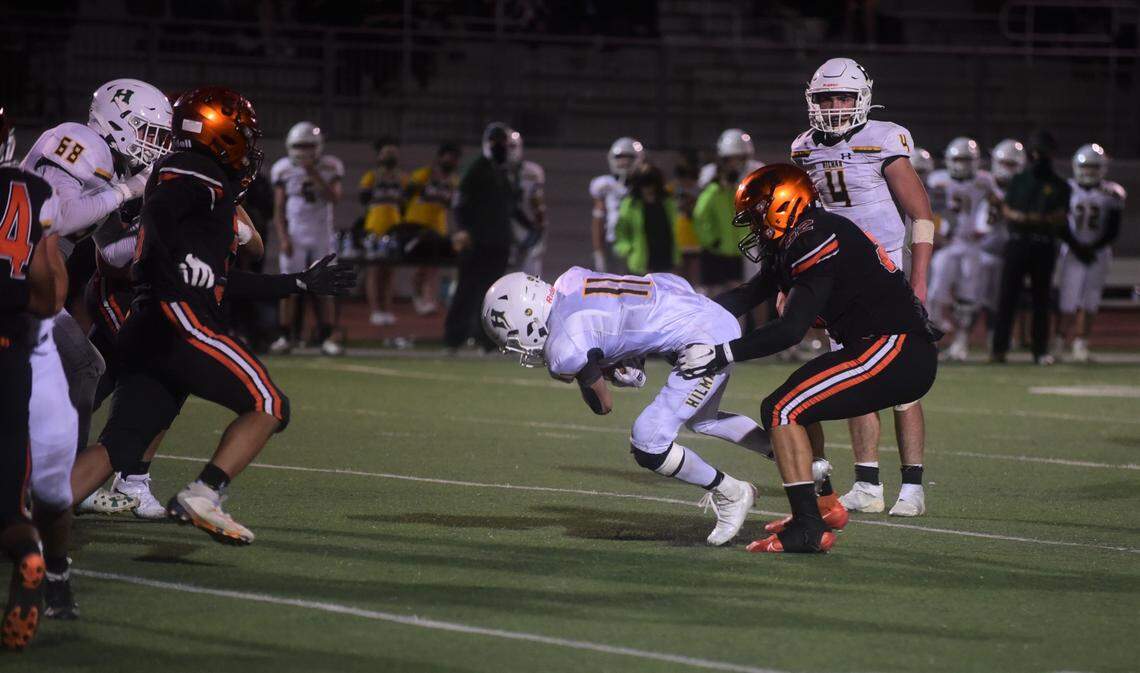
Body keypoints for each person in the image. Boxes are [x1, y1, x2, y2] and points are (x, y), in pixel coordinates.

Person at [73, 87, 354, 546]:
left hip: (149, 322)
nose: (249, 143)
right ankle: (204, 493)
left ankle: (30, 518)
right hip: (176, 318)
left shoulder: (194, 185)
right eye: (242, 133)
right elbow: (162, 216)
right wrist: (167, 254)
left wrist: (298, 283)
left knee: (117, 447)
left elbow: (222, 277)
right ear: (217, 131)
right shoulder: (193, 169)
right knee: (268, 404)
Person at [678, 165, 938, 553]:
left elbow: (789, 330)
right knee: (796, 403)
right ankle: (822, 505)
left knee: (783, 408)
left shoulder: (816, 235)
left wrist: (721, 354)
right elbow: (751, 293)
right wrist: (685, 318)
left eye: (757, 214)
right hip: (876, 344)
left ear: (784, 204)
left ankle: (807, 529)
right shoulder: (802, 234)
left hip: (896, 346)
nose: (754, 225)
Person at [18, 77, 171, 617]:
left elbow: (109, 253)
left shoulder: (110, 165)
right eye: (149, 131)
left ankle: (55, 484)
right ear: (116, 117)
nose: (153, 144)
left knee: (83, 365)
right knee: (83, 365)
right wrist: (127, 193)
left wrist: (159, 242)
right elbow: (56, 216)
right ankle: (57, 486)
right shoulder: (81, 141)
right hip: (16, 278)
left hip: (30, 280)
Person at [481, 270, 773, 546]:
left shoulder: (565, 343)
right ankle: (793, 456)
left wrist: (591, 373)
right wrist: (624, 357)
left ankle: (731, 493)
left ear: (527, 316)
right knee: (703, 420)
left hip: (705, 342)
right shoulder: (571, 279)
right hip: (696, 308)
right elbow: (627, 310)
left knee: (648, 443)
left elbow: (603, 405)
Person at [790, 57, 936, 517]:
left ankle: (912, 486)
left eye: (843, 97)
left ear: (862, 99)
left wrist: (918, 282)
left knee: (903, 385)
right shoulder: (804, 148)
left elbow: (923, 216)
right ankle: (867, 482)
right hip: (839, 281)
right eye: (826, 98)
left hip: (887, 275)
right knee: (856, 377)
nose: (834, 106)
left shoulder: (882, 138)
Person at [0, 154, 64, 651]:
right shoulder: (32, 189)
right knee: (8, 505)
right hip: (9, 353)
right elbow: (49, 300)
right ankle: (26, 550)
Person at [991, 130, 1072, 364]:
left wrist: (1026, 218)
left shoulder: (1059, 185)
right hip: (1017, 243)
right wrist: (1033, 218)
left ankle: (1039, 350)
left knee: (1041, 299)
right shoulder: (1019, 180)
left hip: (1043, 245)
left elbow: (1059, 215)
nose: (1039, 156)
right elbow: (1009, 210)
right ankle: (999, 349)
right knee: (1007, 298)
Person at [269, 121, 344, 356]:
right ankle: (285, 336)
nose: (303, 151)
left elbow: (334, 197)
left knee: (326, 289)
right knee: (289, 288)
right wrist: (283, 238)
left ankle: (327, 337)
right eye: (299, 145)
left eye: (307, 145)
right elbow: (278, 208)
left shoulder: (330, 166)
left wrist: (313, 173)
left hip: (322, 236)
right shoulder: (283, 168)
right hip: (295, 236)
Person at [443, 122, 517, 352]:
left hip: (498, 240)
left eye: (502, 142)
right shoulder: (476, 167)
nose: (500, 147)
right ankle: (454, 338)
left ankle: (485, 339)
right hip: (477, 240)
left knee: (492, 294)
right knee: (467, 289)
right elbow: (459, 201)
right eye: (496, 142)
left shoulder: (502, 170)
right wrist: (463, 229)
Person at [925, 137, 1000, 361]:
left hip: (972, 245)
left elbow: (997, 204)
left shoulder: (984, 180)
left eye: (966, 160)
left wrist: (986, 224)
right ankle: (934, 340)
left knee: (969, 297)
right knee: (935, 294)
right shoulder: (937, 180)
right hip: (947, 245)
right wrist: (936, 233)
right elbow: (929, 208)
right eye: (957, 159)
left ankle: (961, 341)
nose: (961, 164)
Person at [1058, 143, 1125, 362]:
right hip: (1071, 249)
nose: (1088, 172)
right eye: (1085, 167)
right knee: (1067, 299)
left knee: (1090, 299)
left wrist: (1092, 248)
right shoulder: (1066, 189)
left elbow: (1113, 229)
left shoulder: (1112, 192)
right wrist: (1077, 246)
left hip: (1098, 251)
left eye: (1094, 167)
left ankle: (1081, 343)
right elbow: (1060, 223)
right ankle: (1059, 342)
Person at [403, 141, 461, 315]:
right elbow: (407, 194)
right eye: (448, 157)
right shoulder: (424, 174)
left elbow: (454, 204)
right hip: (417, 225)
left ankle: (427, 299)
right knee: (424, 265)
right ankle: (420, 297)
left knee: (433, 267)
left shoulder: (454, 181)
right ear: (440, 158)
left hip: (438, 228)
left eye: (454, 159)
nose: (451, 162)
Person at [976, 138, 1027, 333]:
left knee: (1010, 299)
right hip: (981, 249)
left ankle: (1010, 337)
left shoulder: (1023, 189)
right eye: (1004, 163)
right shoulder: (982, 182)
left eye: (1011, 164)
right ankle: (963, 340)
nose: (1007, 168)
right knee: (973, 298)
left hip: (1010, 252)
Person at [359, 137, 406, 326]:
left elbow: (405, 203)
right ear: (379, 156)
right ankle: (375, 310)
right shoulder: (372, 176)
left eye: (393, 153)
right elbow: (363, 199)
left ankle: (387, 309)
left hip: (394, 227)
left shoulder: (403, 177)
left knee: (390, 272)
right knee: (374, 271)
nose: (390, 156)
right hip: (375, 227)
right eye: (387, 153)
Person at [692, 153, 745, 297]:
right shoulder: (711, 194)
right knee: (713, 294)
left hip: (734, 252)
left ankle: (735, 320)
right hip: (714, 252)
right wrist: (711, 241)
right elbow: (699, 219)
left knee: (736, 293)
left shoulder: (736, 193)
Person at [589, 137, 644, 273]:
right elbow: (598, 219)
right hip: (613, 242)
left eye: (628, 158)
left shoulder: (645, 184)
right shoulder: (605, 184)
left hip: (640, 243)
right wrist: (598, 250)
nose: (624, 162)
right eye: (620, 158)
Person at [613, 164, 678, 275]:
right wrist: (627, 249)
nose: (648, 188)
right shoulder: (630, 204)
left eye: (651, 184)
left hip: (665, 256)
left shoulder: (667, 203)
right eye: (644, 184)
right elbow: (621, 230)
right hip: (641, 258)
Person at [506, 129, 547, 278]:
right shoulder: (490, 171)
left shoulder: (532, 172)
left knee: (530, 275)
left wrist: (540, 232)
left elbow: (538, 205)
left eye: (511, 146)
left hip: (525, 227)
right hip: (500, 228)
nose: (508, 151)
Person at [668, 150, 702, 283]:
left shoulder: (700, 190)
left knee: (694, 277)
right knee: (678, 278)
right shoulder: (670, 189)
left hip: (695, 237)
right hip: (677, 238)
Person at [697, 128, 764, 189]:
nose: (735, 162)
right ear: (723, 159)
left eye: (741, 157)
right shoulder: (711, 172)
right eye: (731, 158)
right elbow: (701, 192)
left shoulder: (758, 170)